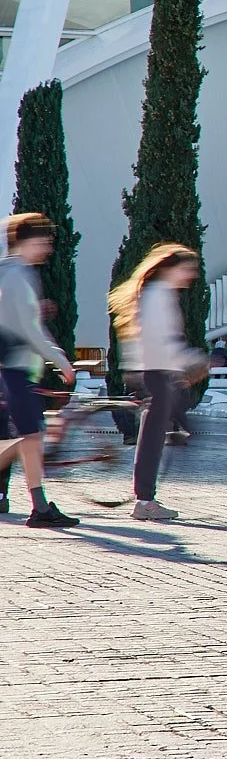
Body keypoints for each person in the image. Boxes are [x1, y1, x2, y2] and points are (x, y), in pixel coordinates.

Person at [109, 243, 205, 522]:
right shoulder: (158, 296)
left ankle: (145, 497)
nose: (191, 275)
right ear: (169, 269)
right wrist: (189, 360)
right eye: (186, 269)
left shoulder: (156, 294)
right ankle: (145, 501)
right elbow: (160, 340)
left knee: (153, 437)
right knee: (151, 439)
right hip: (157, 372)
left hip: (157, 372)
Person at [0, 213, 79, 527]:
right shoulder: (19, 276)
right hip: (16, 368)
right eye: (43, 241)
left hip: (7, 368)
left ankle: (36, 505)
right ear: (24, 240)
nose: (46, 248)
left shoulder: (5, 271)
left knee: (19, 437)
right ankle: (41, 508)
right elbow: (31, 330)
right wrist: (60, 361)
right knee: (30, 438)